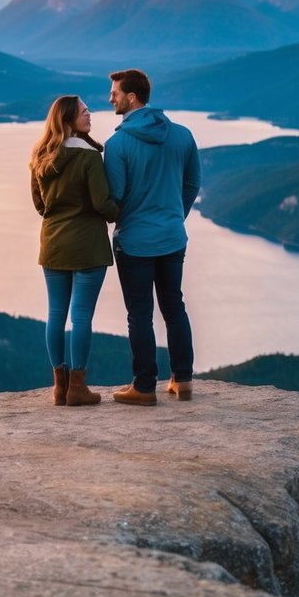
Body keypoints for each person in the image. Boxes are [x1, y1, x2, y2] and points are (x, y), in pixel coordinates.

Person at [104, 68, 200, 406]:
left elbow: (115, 196)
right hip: (173, 237)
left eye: (115, 93)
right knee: (174, 306)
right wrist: (174, 216)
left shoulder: (117, 144)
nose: (110, 98)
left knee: (140, 313)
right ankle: (183, 379)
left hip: (135, 241)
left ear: (132, 97)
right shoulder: (183, 135)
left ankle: (145, 387)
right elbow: (191, 185)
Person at [30, 95, 119, 407]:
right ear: (68, 120)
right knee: (80, 316)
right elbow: (102, 205)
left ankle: (59, 387)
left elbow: (40, 205)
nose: (89, 114)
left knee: (56, 313)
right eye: (84, 111)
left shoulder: (41, 155)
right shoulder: (90, 157)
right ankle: (78, 387)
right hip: (88, 246)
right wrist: (123, 211)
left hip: (53, 243)